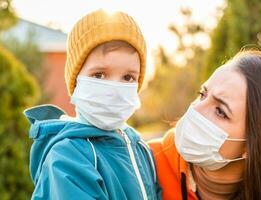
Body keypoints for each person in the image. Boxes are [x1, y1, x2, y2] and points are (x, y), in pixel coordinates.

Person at [23, 9, 161, 200]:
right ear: (76, 81)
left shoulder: (140, 148)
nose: (114, 89)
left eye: (128, 77)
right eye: (99, 75)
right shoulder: (67, 157)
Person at [149, 50, 261, 200]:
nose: (195, 109)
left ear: (254, 143)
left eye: (220, 111)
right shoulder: (144, 164)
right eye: (202, 94)